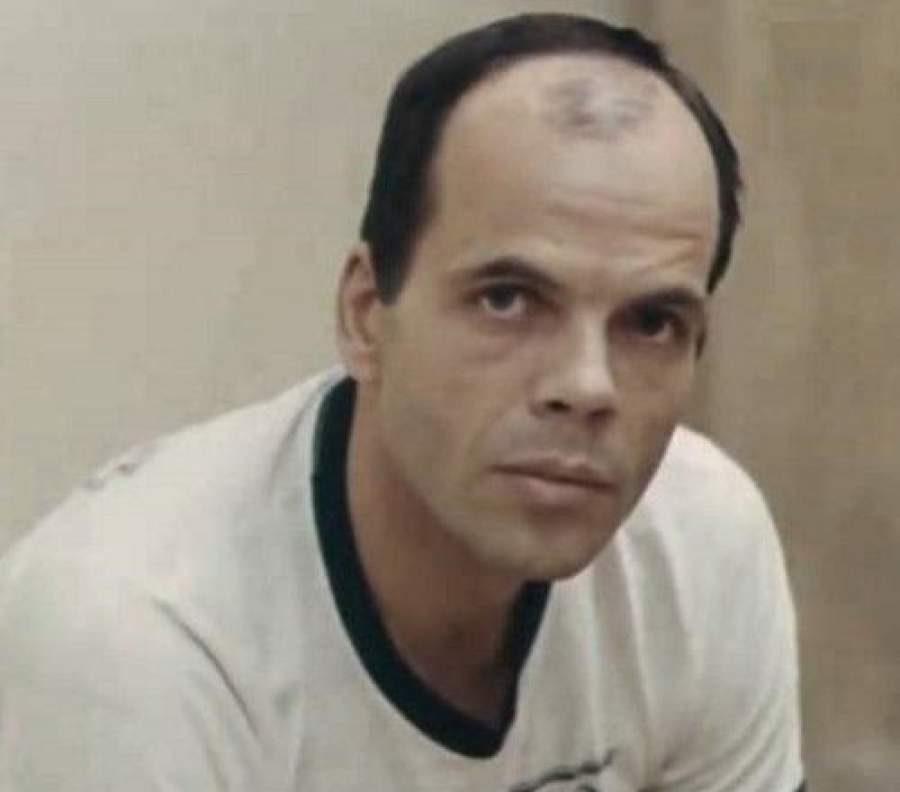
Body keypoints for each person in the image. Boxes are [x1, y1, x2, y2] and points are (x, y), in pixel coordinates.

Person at [0, 13, 805, 792]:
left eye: (653, 322)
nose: (588, 386)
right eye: (507, 299)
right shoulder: (139, 636)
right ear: (365, 315)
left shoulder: (698, 538)